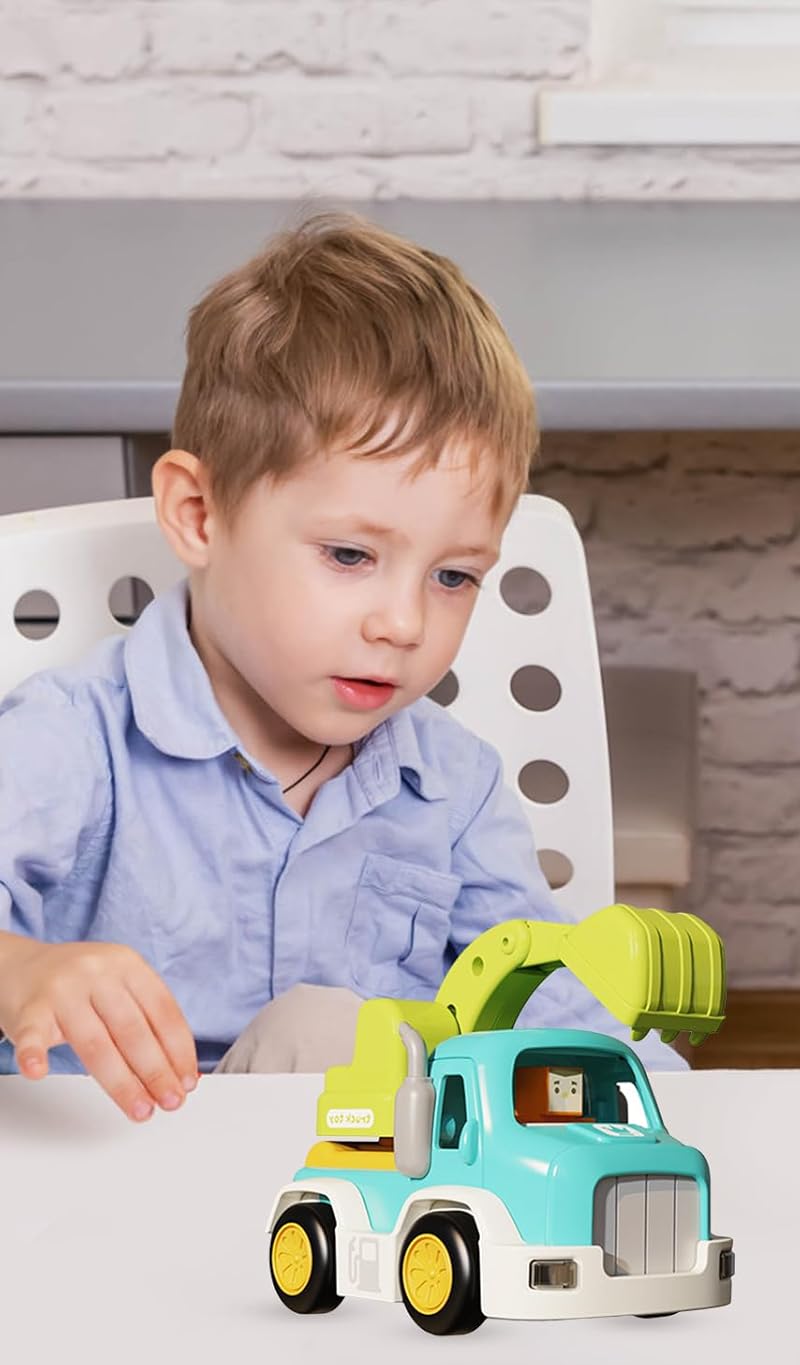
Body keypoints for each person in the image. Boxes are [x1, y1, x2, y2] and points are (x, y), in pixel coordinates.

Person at [0, 212, 682, 1122]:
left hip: (357, 1186)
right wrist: (23, 969)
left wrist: (686, 1112)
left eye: (453, 577)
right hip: (98, 1175)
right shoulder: (71, 740)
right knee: (325, 1031)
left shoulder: (453, 786)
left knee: (348, 1039)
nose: (403, 624)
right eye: (351, 556)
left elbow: (557, 1011)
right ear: (199, 515)